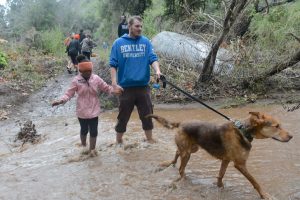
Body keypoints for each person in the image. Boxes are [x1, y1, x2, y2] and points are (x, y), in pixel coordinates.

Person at [52, 55, 123, 156]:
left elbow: (106, 88)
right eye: (85, 72)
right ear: (81, 71)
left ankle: (92, 150)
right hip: (82, 110)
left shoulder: (96, 78)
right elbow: (69, 93)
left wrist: (115, 91)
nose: (88, 73)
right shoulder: (76, 80)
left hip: (94, 109)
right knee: (84, 130)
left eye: (89, 71)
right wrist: (61, 100)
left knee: (94, 131)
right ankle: (83, 146)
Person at [109, 15, 161, 145]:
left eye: (141, 26)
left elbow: (152, 59)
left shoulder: (145, 42)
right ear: (130, 27)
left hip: (143, 87)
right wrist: (114, 83)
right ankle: (119, 142)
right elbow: (113, 65)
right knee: (123, 118)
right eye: (137, 26)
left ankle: (150, 140)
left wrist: (157, 71)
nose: (140, 29)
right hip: (125, 89)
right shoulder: (118, 43)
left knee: (148, 115)